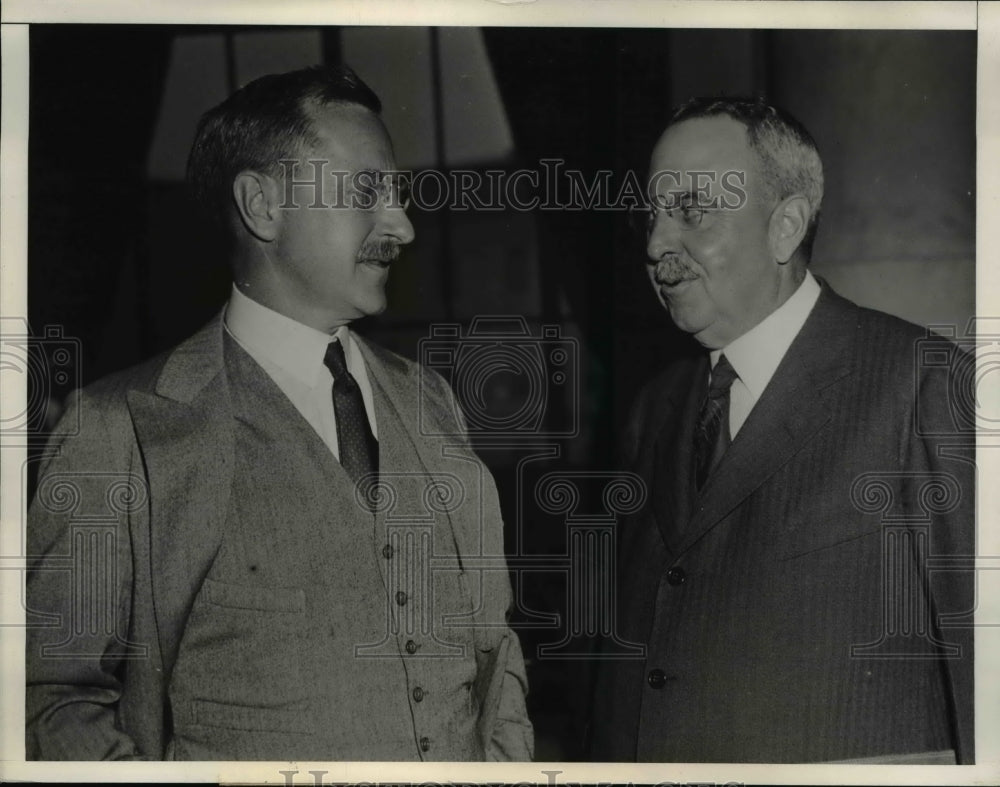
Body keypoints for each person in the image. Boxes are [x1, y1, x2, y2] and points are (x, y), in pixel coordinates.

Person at [25, 65, 533, 762]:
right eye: (367, 191)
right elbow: (52, 698)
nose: (403, 225)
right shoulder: (118, 429)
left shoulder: (431, 400)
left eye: (399, 193)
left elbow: (494, 655)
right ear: (261, 206)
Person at [589, 97, 974, 763]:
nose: (655, 245)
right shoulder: (655, 408)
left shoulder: (921, 384)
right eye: (650, 215)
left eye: (691, 210)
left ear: (785, 226)